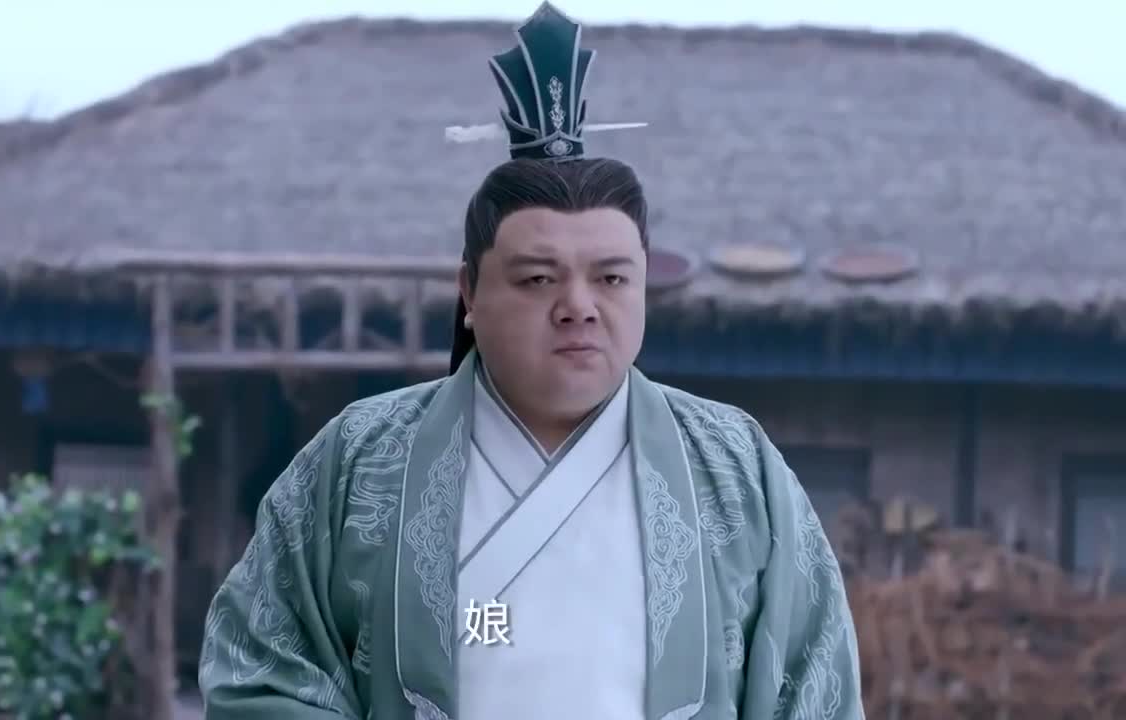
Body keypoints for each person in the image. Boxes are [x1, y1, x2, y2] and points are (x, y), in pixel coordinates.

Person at [198, 3, 865, 719]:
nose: (579, 306)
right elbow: (260, 672)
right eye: (539, 278)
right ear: (469, 293)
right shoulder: (360, 459)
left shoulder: (735, 466)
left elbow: (814, 683)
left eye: (611, 278)